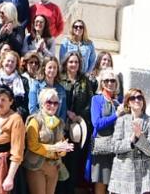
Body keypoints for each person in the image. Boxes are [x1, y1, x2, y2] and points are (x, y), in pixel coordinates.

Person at [101, 88, 150, 194]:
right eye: (133, 98)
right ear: (128, 102)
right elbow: (114, 146)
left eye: (139, 98)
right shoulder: (121, 120)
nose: (137, 100)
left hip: (144, 175)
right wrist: (131, 141)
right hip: (123, 174)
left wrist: (140, 138)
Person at [24, 86, 75, 194]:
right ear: (42, 103)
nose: (52, 105)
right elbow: (32, 145)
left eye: (55, 103)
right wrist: (54, 148)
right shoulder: (34, 121)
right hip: (36, 166)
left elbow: (62, 146)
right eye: (49, 102)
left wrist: (63, 149)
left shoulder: (59, 122)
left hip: (53, 167)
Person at [59, 51, 94, 194]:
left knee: (73, 161)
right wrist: (66, 112)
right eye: (71, 62)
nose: (73, 64)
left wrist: (78, 116)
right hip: (61, 124)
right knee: (61, 159)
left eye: (76, 62)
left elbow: (89, 101)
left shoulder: (84, 81)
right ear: (66, 63)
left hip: (78, 128)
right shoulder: (60, 79)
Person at [87, 69, 122, 194]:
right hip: (102, 148)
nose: (109, 83)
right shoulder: (97, 100)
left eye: (112, 80)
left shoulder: (119, 102)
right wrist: (116, 115)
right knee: (101, 185)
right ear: (101, 83)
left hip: (117, 149)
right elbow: (96, 123)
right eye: (106, 80)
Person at [29, 55, 68, 121]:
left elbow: (63, 112)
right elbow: (33, 109)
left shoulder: (61, 89)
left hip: (56, 125)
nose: (52, 70)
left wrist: (58, 125)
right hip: (40, 123)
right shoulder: (36, 85)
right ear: (44, 68)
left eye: (55, 68)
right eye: (50, 67)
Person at [0, 50, 27, 117]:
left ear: (16, 65)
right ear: (2, 62)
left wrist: (16, 116)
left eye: (13, 62)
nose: (10, 63)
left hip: (15, 117)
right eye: (8, 61)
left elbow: (24, 103)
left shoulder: (23, 81)